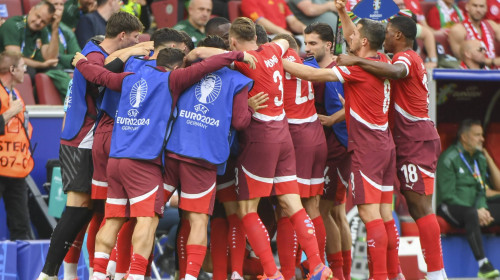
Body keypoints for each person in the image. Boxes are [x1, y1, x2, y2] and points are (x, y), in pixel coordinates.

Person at [73, 45, 256, 280]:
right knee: (150, 221)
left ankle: (99, 274)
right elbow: (206, 66)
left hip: (117, 159)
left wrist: (81, 63)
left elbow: (100, 75)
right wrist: (237, 54)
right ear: (178, 67)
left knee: (114, 219)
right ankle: (141, 275)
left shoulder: (130, 77)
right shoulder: (172, 80)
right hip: (144, 162)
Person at [282, 0, 400, 277]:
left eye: (356, 35)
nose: (351, 37)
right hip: (383, 145)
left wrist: (278, 60)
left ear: (364, 42)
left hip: (365, 149)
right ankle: (391, 274)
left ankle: (377, 275)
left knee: (368, 217)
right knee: (382, 217)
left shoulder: (356, 69)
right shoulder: (379, 60)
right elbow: (352, 37)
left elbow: (311, 73)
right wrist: (340, 13)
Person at [337, 15, 448, 280]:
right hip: (407, 140)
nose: (383, 37)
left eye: (387, 32)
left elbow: (397, 72)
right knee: (403, 207)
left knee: (420, 206)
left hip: (415, 139)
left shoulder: (404, 58)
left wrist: (356, 60)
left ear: (398, 36)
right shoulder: (388, 60)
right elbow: (358, 39)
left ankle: (436, 273)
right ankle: (395, 272)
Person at [36, 12, 145, 280]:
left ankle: (70, 274)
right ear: (122, 36)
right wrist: (135, 51)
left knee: (88, 211)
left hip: (82, 138)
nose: (136, 43)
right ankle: (48, 274)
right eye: (133, 38)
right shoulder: (94, 59)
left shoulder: (90, 53)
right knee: (76, 208)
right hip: (81, 140)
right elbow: (103, 80)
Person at [227, 17, 332, 280]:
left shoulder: (244, 61)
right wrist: (281, 40)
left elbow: (206, 57)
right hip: (292, 135)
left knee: (247, 210)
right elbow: (285, 39)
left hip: (267, 136)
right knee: (297, 206)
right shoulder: (280, 51)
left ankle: (273, 273)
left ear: (233, 42)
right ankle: (319, 265)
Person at [270, 33, 328, 280]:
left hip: (297, 136)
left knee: (286, 208)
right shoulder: (305, 64)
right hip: (316, 134)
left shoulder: (277, 62)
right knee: (312, 206)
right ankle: (317, 266)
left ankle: (288, 273)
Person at [302, 22, 351, 280]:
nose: (307, 48)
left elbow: (359, 105)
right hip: (322, 143)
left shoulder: (343, 69)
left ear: (329, 45)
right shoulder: (308, 66)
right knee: (334, 211)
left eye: (313, 43)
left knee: (323, 211)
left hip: (340, 145)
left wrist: (333, 120)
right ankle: (341, 272)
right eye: (305, 43)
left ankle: (334, 272)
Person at [436, 119, 500, 279]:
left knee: (478, 211)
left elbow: (481, 190)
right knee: (471, 213)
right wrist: (476, 211)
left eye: (482, 135)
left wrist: (483, 208)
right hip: (450, 207)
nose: (482, 139)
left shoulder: (480, 158)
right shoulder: (448, 158)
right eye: (477, 135)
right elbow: (447, 195)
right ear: (464, 137)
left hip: (475, 208)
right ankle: (483, 265)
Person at [0, 50, 34, 241]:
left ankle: (22, 271)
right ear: (12, 69)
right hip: (1, 168)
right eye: (22, 66)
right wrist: (10, 112)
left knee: (21, 226)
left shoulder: (15, 93)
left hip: (16, 169)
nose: (25, 70)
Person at [0, 0, 60, 80]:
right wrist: (42, 65)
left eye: (43, 22)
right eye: (38, 16)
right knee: (29, 71)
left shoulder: (42, 30)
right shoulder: (14, 25)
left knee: (56, 70)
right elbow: (15, 58)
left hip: (29, 66)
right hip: (8, 64)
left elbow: (50, 57)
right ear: (32, 9)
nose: (38, 22)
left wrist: (55, 28)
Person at [45, 0, 82, 99]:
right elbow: (46, 58)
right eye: (55, 4)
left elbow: (78, 56)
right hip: (49, 70)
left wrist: (59, 57)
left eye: (61, 4)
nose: (59, 8)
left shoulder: (66, 30)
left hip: (65, 70)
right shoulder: (40, 27)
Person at [241, 0, 306, 35]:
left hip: (284, 35)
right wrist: (285, 33)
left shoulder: (279, 1)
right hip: (265, 38)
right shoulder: (248, 1)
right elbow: (260, 21)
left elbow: (292, 21)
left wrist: (305, 29)